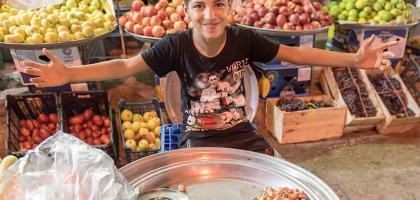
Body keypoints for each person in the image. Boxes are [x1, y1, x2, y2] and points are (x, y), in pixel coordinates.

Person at [23, 0, 396, 153]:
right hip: (197, 135)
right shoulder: (175, 46)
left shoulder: (245, 39)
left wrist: (354, 59)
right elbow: (124, 67)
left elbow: (296, 53)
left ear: (230, 10)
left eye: (218, 3)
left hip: (243, 131)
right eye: (199, 5)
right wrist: (68, 73)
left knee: (275, 183)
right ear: (186, 11)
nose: (209, 14)